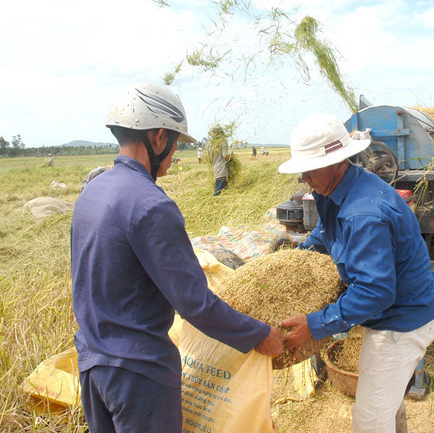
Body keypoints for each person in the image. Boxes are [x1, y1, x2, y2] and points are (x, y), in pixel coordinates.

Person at [71, 83, 283, 432]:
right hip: (138, 374)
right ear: (157, 137)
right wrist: (259, 334)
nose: (173, 156)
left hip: (93, 365)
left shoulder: (92, 192)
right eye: (174, 144)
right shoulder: (151, 204)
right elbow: (194, 303)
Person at [278, 114, 434, 432]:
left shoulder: (363, 213)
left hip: (401, 323)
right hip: (394, 313)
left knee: (369, 420)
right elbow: (326, 233)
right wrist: (297, 264)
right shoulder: (337, 191)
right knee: (385, 403)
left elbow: (375, 293)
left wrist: (314, 325)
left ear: (337, 162)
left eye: (309, 168)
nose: (303, 178)